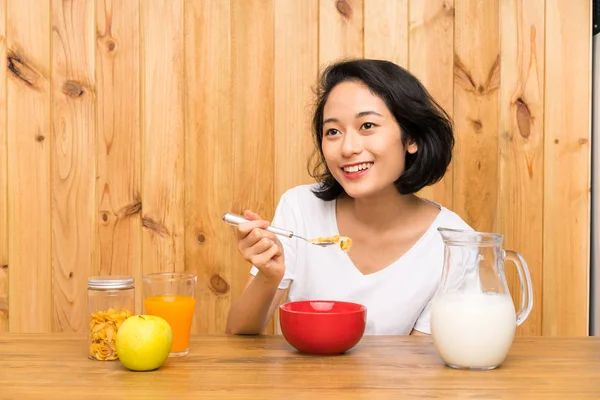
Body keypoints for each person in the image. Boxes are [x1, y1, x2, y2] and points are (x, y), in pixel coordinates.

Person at [225, 58, 472, 336]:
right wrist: (269, 278)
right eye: (333, 131)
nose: (348, 147)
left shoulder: (456, 244)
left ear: (411, 137)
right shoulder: (300, 209)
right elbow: (239, 336)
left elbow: (416, 362)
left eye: (367, 126)